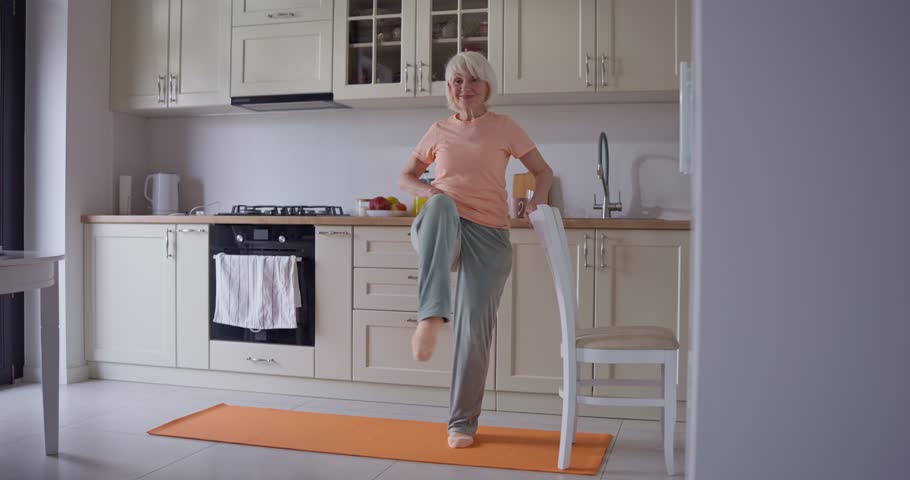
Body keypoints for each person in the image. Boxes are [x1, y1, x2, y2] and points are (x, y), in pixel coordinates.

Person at [397, 52, 554, 449]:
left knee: (474, 332)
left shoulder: (505, 127)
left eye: (473, 81)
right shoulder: (438, 129)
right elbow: (406, 176)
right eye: (455, 82)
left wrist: (538, 200)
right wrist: (430, 190)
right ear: (448, 88)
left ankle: (461, 423)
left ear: (487, 86)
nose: (464, 89)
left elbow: (543, 171)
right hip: (441, 228)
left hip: (489, 234)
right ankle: (431, 316)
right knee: (442, 203)